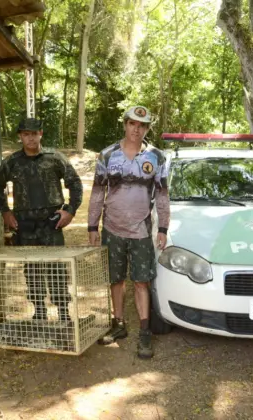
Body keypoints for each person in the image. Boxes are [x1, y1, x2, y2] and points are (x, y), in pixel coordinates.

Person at [88, 105, 170, 359]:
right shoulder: (107, 155)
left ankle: (145, 331)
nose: (137, 129)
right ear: (125, 124)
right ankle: (119, 324)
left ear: (147, 129)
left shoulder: (157, 157)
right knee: (116, 279)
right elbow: (98, 192)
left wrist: (164, 227)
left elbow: (163, 195)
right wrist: (92, 225)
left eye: (142, 125)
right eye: (133, 124)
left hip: (141, 229)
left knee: (142, 281)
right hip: (112, 227)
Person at [0, 118, 83, 322]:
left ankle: (63, 313)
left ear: (41, 133)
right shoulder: (12, 162)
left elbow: (75, 183)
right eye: (25, 134)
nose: (30, 138)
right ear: (20, 136)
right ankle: (39, 311)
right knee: (31, 268)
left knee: (56, 267)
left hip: (51, 223)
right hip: (25, 225)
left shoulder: (54, 158)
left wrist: (70, 211)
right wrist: (6, 211)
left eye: (34, 133)